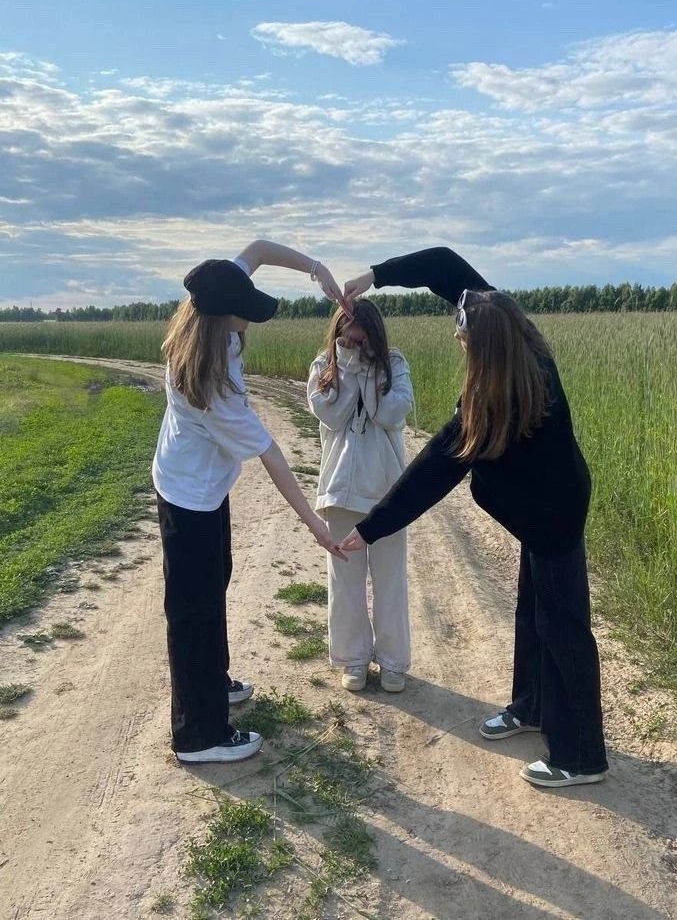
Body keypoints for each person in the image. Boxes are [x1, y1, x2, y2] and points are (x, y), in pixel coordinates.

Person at [339, 247, 608, 788]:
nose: (457, 341)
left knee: (564, 626)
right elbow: (445, 265)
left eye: (462, 341)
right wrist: (375, 277)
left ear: (484, 348)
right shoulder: (519, 336)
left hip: (554, 517)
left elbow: (431, 473)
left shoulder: (491, 401)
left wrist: (368, 528)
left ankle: (581, 756)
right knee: (534, 613)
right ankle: (532, 708)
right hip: (542, 511)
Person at [153, 240, 347, 764]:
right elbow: (273, 458)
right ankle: (199, 735)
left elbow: (258, 249)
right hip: (187, 495)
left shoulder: (214, 305)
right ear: (222, 320)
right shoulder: (210, 386)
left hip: (203, 486)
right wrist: (316, 528)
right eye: (247, 315)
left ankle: (213, 682)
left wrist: (316, 269)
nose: (252, 322)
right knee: (193, 610)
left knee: (216, 579)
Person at [307, 299, 414, 693]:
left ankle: (392, 663)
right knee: (345, 581)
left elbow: (390, 413)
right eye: (346, 330)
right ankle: (352, 659)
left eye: (359, 329)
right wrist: (348, 366)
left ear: (373, 329)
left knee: (390, 580)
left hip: (388, 493)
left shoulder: (395, 364)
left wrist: (368, 370)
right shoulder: (324, 367)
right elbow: (331, 415)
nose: (353, 337)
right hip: (339, 491)